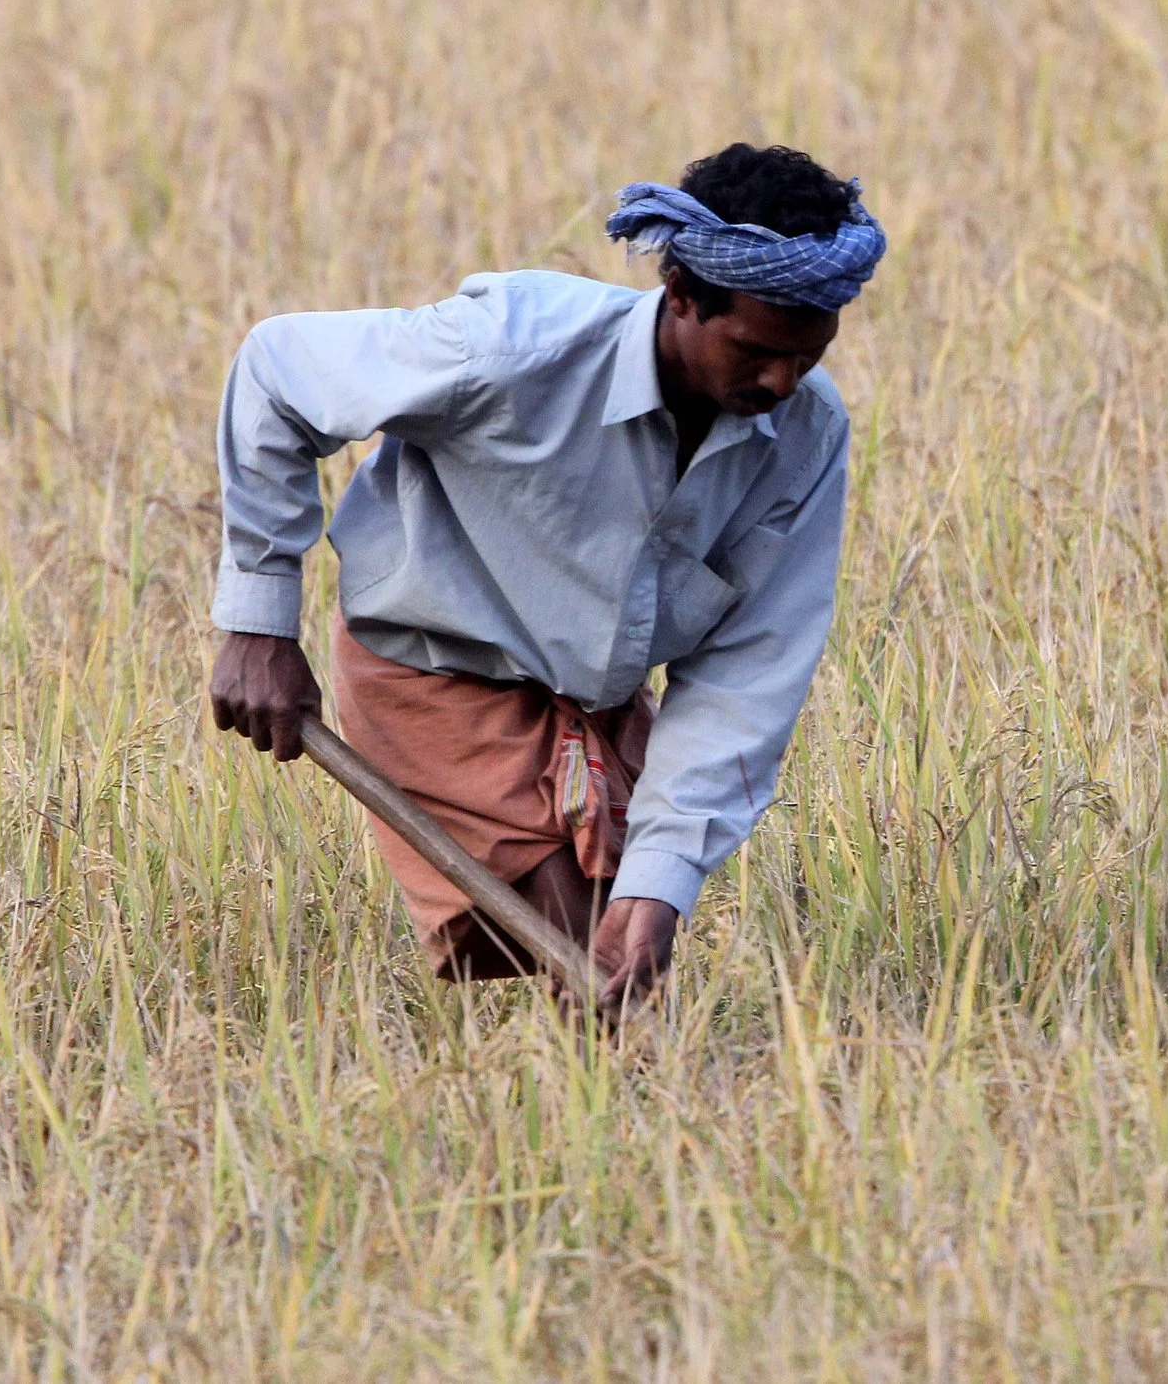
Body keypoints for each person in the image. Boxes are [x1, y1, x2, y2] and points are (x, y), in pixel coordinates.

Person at [207, 143, 883, 1010]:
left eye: (809, 354)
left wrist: (664, 880)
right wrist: (259, 623)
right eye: (755, 349)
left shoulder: (806, 436)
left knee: (623, 929)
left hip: (592, 698)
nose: (783, 381)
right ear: (679, 295)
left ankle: (607, 1121)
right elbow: (277, 371)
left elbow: (750, 670)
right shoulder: (511, 348)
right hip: (435, 664)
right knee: (577, 946)